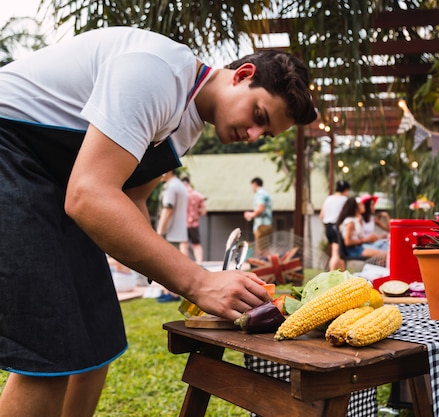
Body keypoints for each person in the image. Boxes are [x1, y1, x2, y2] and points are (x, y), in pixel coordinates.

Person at [0, 26, 317, 417]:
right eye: (258, 116)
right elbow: (88, 196)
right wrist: (197, 282)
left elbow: (131, 200)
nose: (253, 134)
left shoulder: (187, 123)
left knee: (98, 342)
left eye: (264, 133)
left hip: (56, 183)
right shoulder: (158, 73)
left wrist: (193, 279)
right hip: (10, 153)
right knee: (51, 351)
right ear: (242, 74)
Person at [154, 169, 188, 302]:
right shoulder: (179, 184)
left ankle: (171, 292)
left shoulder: (171, 186)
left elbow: (168, 209)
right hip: (178, 231)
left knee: (168, 264)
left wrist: (159, 232)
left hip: (171, 231)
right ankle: (171, 291)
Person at [320, 180, 351, 271]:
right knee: (337, 254)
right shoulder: (345, 200)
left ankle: (339, 275)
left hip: (328, 227)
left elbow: (321, 215)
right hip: (337, 228)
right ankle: (334, 275)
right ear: (346, 190)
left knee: (337, 253)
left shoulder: (329, 199)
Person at [180, 176, 207, 264]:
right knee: (196, 244)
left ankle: (186, 263)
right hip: (194, 224)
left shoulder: (181, 195)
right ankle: (199, 263)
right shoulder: (198, 195)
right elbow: (203, 212)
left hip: (183, 224)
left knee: (184, 244)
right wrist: (196, 212)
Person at [244, 177, 273, 256]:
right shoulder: (265, 193)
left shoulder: (260, 194)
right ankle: (269, 265)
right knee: (264, 248)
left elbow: (260, 209)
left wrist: (250, 214)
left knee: (260, 249)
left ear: (255, 184)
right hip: (266, 224)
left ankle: (263, 266)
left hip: (262, 225)